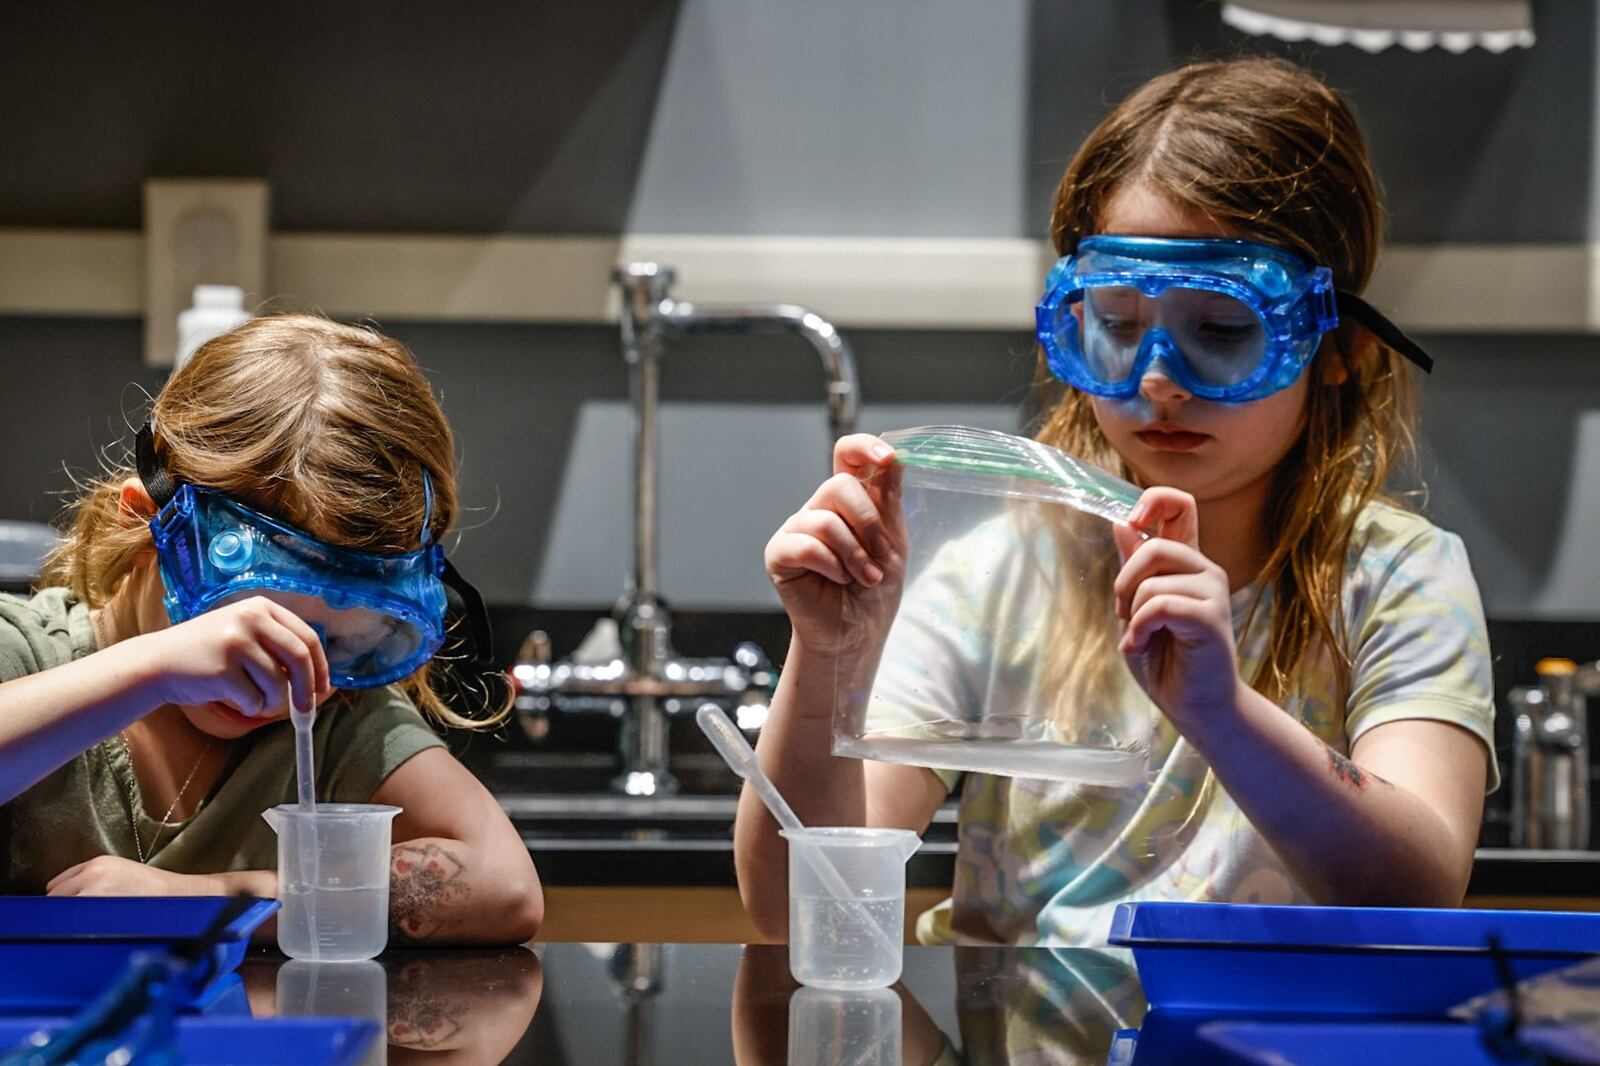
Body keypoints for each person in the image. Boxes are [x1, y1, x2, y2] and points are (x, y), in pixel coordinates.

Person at [735, 55, 1495, 947]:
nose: (1160, 381)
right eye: (1118, 329)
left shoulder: (1398, 577)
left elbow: (1419, 891)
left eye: (1220, 331)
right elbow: (796, 909)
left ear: (1335, 350)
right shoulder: (1002, 575)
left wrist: (1222, 712)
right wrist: (827, 655)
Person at [0, 314, 543, 945]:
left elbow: (506, 888)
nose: (290, 676)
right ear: (147, 524)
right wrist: (152, 670)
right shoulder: (28, 657)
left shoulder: (337, 710)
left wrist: (200, 902)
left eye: (345, 642)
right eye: (246, 624)